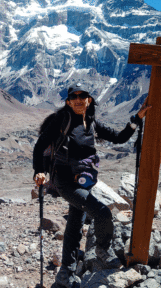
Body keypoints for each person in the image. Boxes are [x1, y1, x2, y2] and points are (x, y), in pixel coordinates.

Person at [33, 83, 151, 288]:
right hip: (65, 180)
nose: (79, 99)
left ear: (89, 100)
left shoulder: (91, 122)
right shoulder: (62, 120)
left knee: (75, 225)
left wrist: (137, 119)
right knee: (102, 213)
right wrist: (39, 171)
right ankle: (103, 252)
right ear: (68, 102)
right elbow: (40, 145)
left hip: (84, 179)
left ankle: (65, 274)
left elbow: (119, 137)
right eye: (74, 97)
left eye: (83, 96)